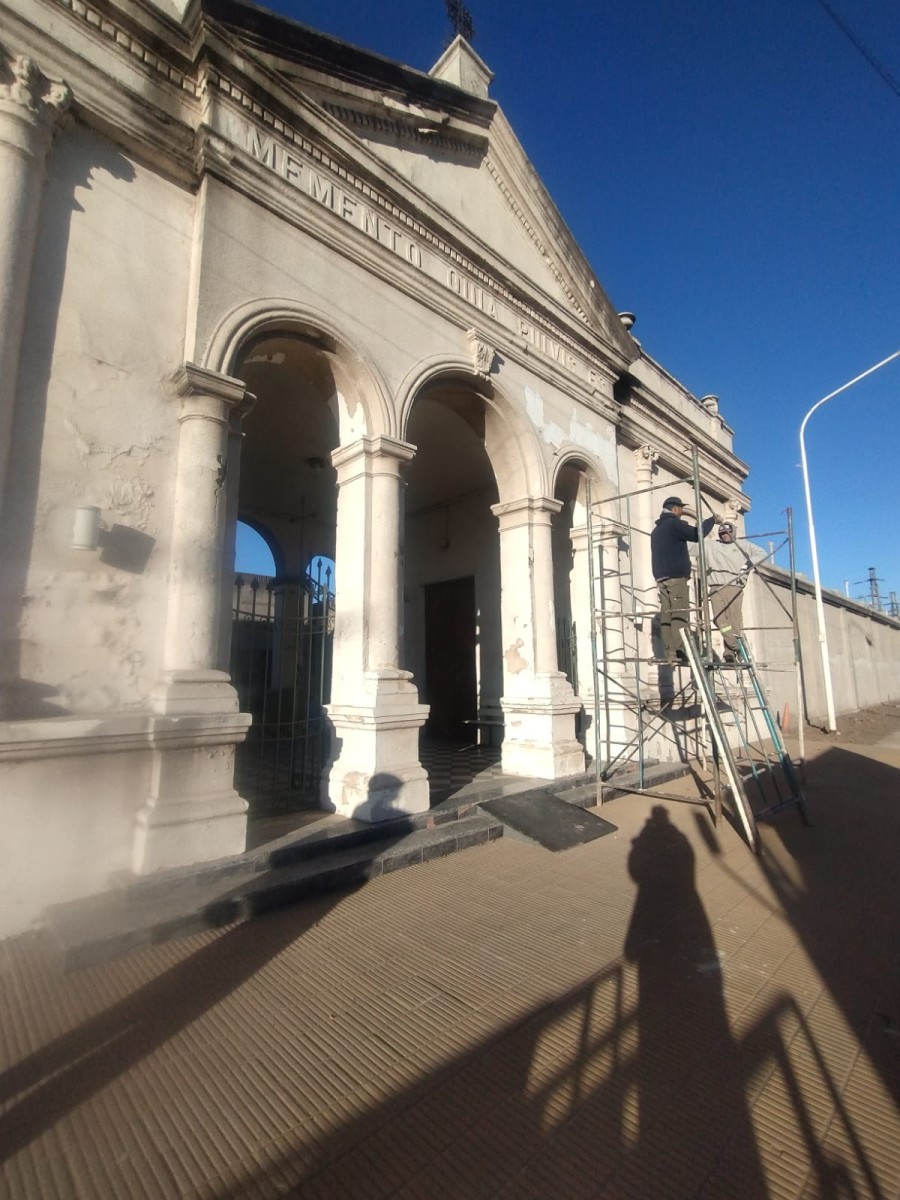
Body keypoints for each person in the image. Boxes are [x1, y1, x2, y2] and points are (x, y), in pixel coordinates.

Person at [650, 495, 718, 664]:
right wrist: (711, 521)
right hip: (675, 576)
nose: (681, 512)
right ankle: (679, 649)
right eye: (680, 508)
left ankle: (668, 651)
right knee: (679, 613)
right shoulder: (674, 524)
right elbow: (696, 534)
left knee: (666, 614)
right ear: (674, 509)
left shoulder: (656, 530)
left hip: (661, 577)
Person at [703, 522, 766, 662]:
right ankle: (737, 646)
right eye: (722, 533)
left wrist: (748, 564)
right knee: (719, 618)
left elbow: (762, 553)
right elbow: (693, 546)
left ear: (733, 532)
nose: (725, 536)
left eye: (728, 532)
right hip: (716, 586)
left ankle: (729, 652)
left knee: (734, 621)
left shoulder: (743, 545)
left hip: (735, 586)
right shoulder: (712, 545)